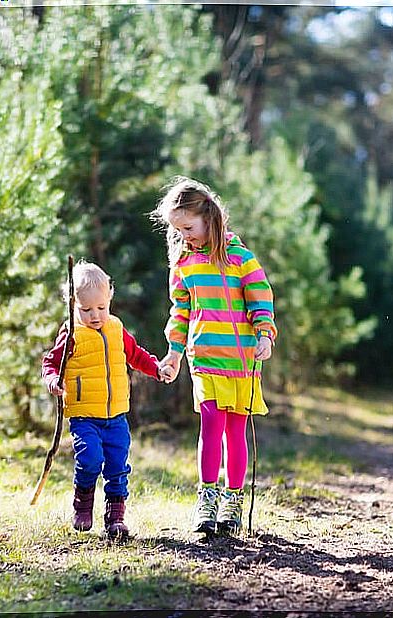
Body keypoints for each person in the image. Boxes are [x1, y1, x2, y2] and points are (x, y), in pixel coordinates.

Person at [152, 176, 277, 537]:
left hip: (241, 363)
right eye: (177, 230)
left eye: (188, 227)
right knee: (211, 427)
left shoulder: (240, 259)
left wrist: (265, 335)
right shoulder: (185, 264)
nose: (183, 236)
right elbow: (180, 313)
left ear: (208, 216)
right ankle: (207, 500)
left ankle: (232, 502)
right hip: (205, 358)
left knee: (235, 432)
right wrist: (174, 354)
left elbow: (261, 301)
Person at [41, 260, 163, 539]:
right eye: (86, 310)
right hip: (85, 416)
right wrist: (52, 380)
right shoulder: (71, 334)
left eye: (101, 308)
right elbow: (51, 362)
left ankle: (116, 517)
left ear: (110, 298)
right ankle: (83, 505)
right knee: (90, 458)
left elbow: (136, 355)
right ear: (72, 305)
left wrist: (156, 368)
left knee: (118, 464)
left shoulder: (116, 328)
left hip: (116, 415)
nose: (95, 316)